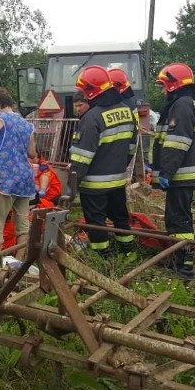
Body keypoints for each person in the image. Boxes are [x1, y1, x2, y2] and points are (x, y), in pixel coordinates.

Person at [70, 65, 138, 259]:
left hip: (94, 185)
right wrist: (118, 167)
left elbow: (81, 159)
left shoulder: (91, 118)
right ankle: (129, 253)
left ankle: (104, 260)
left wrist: (71, 187)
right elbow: (131, 148)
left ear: (91, 91)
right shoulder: (126, 111)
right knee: (120, 218)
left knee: (96, 223)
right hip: (117, 180)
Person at [151, 62, 195, 280]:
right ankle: (178, 258)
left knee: (179, 221)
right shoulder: (185, 103)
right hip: (181, 174)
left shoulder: (182, 105)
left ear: (174, 85)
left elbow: (177, 143)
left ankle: (185, 267)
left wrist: (166, 172)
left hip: (181, 174)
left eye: (164, 86)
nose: (163, 91)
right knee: (177, 218)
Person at [0, 87, 37, 262]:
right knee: (22, 225)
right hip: (25, 178)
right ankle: (19, 262)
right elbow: (32, 153)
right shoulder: (27, 124)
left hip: (6, 177)